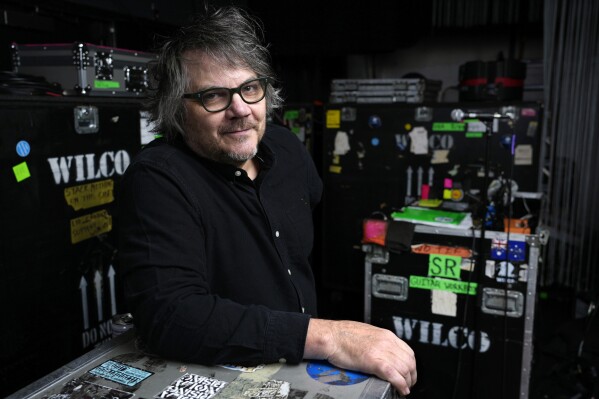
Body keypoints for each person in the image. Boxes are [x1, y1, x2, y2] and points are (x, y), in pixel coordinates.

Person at [117, 5, 416, 396]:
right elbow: (171, 318)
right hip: (220, 377)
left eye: (250, 88)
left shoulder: (287, 148)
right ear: (177, 110)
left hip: (299, 368)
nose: (240, 109)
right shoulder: (157, 179)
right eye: (214, 96)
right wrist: (330, 337)